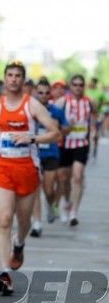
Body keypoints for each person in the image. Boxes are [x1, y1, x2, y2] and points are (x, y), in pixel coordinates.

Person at [0, 61, 59, 295]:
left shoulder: (32, 105)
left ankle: (19, 244)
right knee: (4, 220)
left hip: (27, 168)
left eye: (18, 76)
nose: (13, 79)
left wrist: (32, 138)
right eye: (10, 75)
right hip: (2, 167)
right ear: (4, 79)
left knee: (23, 222)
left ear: (23, 80)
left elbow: (55, 133)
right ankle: (5, 274)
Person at [55, 75, 98, 225]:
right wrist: (62, 128)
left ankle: (74, 212)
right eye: (75, 84)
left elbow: (93, 119)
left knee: (78, 176)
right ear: (70, 86)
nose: (78, 87)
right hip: (65, 144)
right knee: (64, 179)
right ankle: (66, 201)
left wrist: (93, 132)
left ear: (84, 86)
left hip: (82, 143)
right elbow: (54, 122)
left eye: (81, 84)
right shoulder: (62, 102)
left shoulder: (90, 102)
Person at [30, 80, 69, 237]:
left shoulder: (56, 111)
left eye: (47, 93)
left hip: (51, 153)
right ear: (35, 93)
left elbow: (65, 129)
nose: (44, 96)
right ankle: (37, 223)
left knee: (48, 190)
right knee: (35, 188)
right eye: (40, 93)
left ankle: (50, 203)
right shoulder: (30, 109)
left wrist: (59, 130)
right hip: (34, 153)